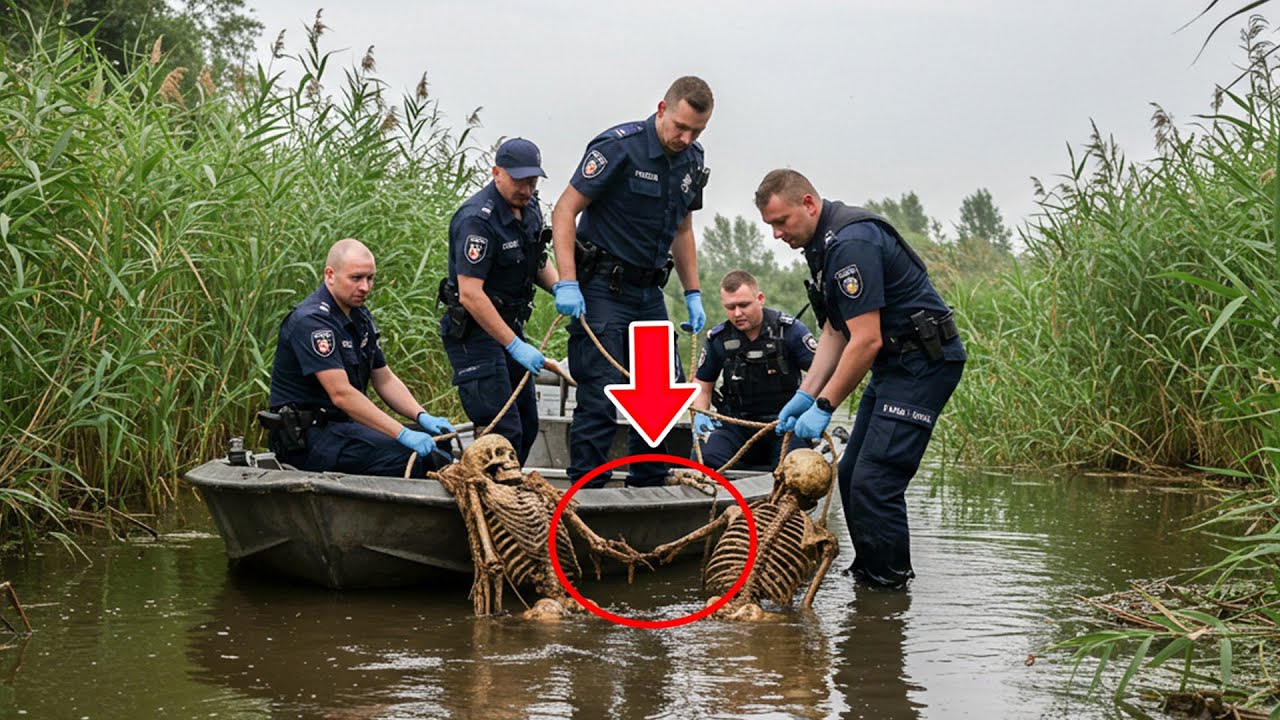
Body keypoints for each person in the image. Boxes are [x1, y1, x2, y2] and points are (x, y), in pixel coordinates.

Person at [755, 169, 966, 589]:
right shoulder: (821, 248)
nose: (778, 234)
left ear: (809, 204)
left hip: (924, 363)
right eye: (771, 226)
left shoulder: (852, 243)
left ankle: (887, 590)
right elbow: (837, 329)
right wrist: (804, 394)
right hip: (894, 364)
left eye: (782, 222)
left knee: (875, 480)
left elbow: (865, 341)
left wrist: (824, 407)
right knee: (851, 472)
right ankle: (869, 574)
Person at [550, 76, 714, 487]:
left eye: (696, 130)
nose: (685, 136)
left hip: (649, 293)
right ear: (662, 109)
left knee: (659, 400)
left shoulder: (693, 160)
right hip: (604, 289)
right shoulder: (618, 147)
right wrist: (567, 282)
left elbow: (683, 230)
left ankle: (649, 488)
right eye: (680, 126)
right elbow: (564, 210)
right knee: (600, 395)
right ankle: (585, 493)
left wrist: (692, 293)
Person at [266, 238, 455, 476]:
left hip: (345, 428)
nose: (365, 287)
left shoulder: (360, 317)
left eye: (370, 278)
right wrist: (402, 434)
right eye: (356, 278)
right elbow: (342, 395)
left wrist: (422, 416)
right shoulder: (312, 322)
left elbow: (384, 378)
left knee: (440, 444)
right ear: (330, 275)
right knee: (414, 458)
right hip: (310, 439)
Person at [439, 137, 559, 464]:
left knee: (528, 426)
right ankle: (493, 500)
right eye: (519, 180)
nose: (526, 188)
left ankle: (510, 496)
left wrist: (560, 288)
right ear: (496, 173)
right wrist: (514, 346)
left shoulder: (530, 209)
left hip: (509, 326)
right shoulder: (477, 220)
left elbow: (537, 261)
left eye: (532, 181)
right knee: (503, 430)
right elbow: (470, 293)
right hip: (476, 334)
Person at [690, 269, 817, 470]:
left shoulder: (790, 331)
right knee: (703, 458)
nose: (737, 313)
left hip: (784, 425)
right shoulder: (719, 339)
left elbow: (823, 373)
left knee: (796, 470)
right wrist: (701, 414)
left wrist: (815, 411)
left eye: (744, 305)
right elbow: (703, 385)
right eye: (730, 307)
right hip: (735, 424)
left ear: (760, 299)